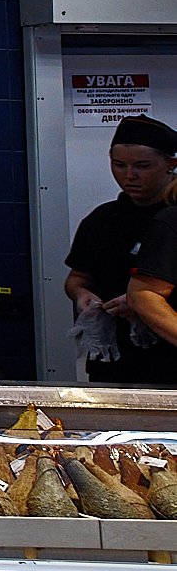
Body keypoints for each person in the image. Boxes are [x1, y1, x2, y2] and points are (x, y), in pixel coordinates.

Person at [68, 115, 177, 381]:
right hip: (116, 356)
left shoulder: (171, 219)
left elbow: (148, 294)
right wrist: (83, 296)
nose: (130, 176)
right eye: (119, 165)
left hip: (168, 354)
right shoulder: (102, 220)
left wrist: (142, 304)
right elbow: (77, 278)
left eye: (142, 166)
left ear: (170, 164)